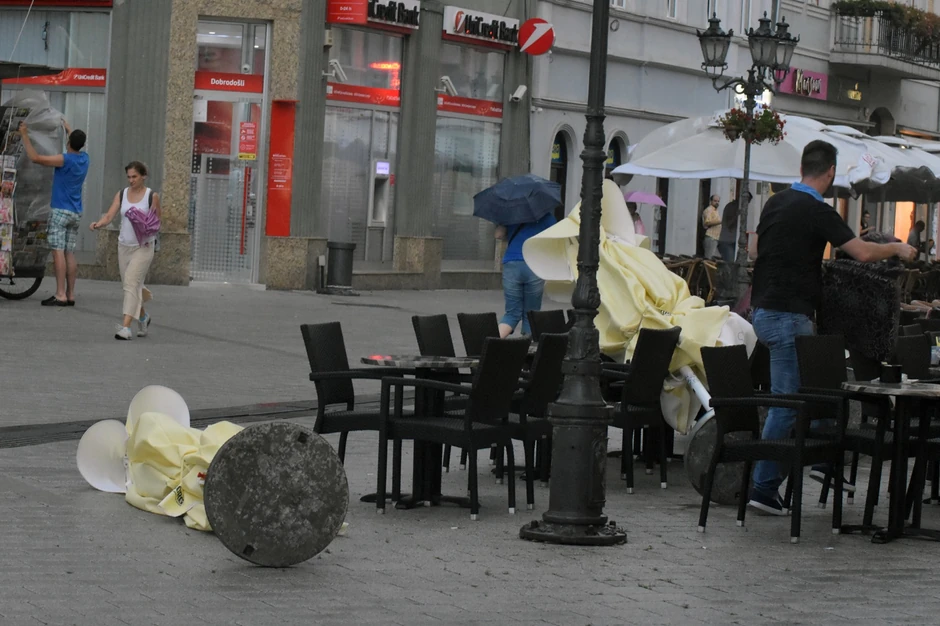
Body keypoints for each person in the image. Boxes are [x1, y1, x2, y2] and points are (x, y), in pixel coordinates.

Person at [747, 140, 917, 516]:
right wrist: (898, 249)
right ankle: (763, 487)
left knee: (821, 382)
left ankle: (825, 462)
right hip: (789, 314)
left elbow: (754, 250)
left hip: (764, 309)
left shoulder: (775, 202)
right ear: (830, 173)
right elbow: (862, 252)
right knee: (787, 401)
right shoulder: (815, 209)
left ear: (803, 168)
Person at [18, 119, 89, 307]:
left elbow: (36, 158)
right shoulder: (85, 159)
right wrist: (69, 129)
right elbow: (76, 143)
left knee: (58, 252)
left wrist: (25, 134)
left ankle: (60, 294)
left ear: (68, 143)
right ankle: (71, 294)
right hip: (75, 212)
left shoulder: (64, 160)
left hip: (60, 211)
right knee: (69, 252)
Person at [90, 161, 161, 340]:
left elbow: (157, 222)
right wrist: (99, 224)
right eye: (129, 177)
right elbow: (109, 215)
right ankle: (143, 317)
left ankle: (126, 328)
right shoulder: (122, 194)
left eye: (134, 176)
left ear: (143, 176)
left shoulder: (151, 196)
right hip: (124, 246)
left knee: (131, 282)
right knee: (131, 285)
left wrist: (145, 226)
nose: (131, 180)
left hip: (143, 247)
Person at [495, 211, 556, 337]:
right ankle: (526, 349)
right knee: (531, 314)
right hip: (535, 265)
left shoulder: (511, 214)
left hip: (512, 265)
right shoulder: (546, 216)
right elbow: (554, 240)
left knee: (511, 314)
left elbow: (498, 235)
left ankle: (490, 343)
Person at [718, 192, 750, 264]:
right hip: (727, 241)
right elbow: (729, 224)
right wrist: (737, 215)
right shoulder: (731, 207)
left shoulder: (739, 207)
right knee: (730, 264)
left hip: (735, 241)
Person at [702, 194, 722, 259]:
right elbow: (707, 222)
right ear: (711, 201)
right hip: (711, 237)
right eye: (715, 201)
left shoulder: (715, 211)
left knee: (717, 257)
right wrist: (720, 221)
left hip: (716, 238)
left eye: (718, 201)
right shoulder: (708, 210)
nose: (717, 203)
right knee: (709, 258)